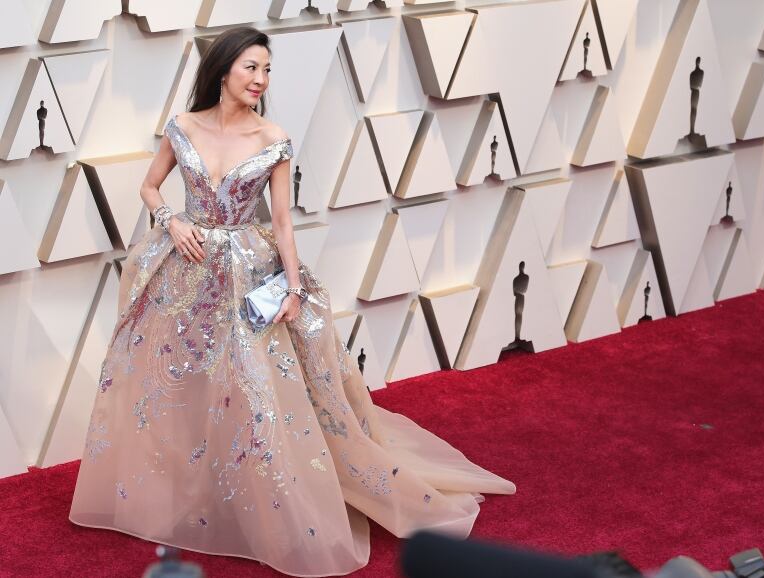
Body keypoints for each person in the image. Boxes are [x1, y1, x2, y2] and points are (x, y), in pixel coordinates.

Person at [68, 26, 515, 577]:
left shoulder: (272, 137)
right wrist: (171, 219)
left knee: (255, 391)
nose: (261, 79)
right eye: (251, 68)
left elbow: (281, 220)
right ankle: (185, 494)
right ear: (224, 70)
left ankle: (261, 507)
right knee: (175, 382)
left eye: (267, 70)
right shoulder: (181, 126)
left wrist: (296, 288)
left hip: (247, 273)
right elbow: (150, 186)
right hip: (184, 269)